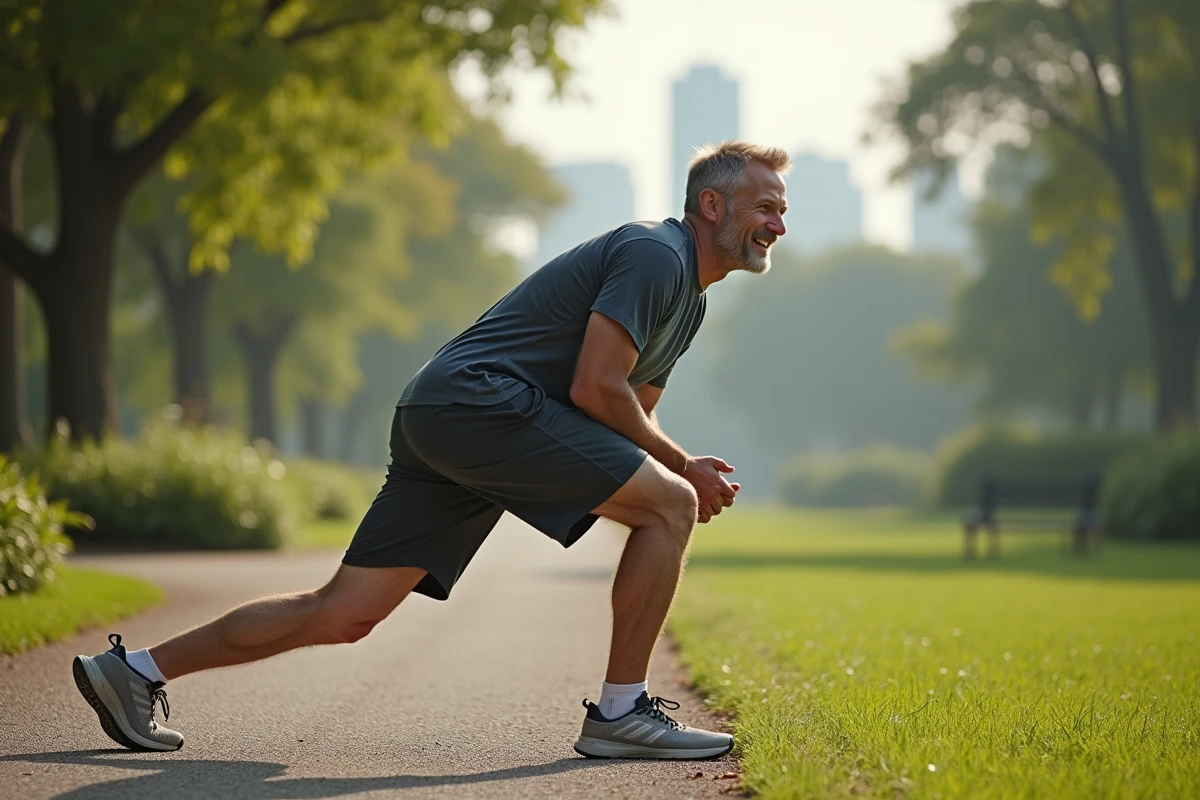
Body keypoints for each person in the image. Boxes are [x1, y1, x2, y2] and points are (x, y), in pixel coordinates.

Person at [72, 140, 790, 760]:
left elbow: (631, 407)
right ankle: (621, 715)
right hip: (480, 403)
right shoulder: (653, 253)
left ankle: (135, 671)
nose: (778, 224)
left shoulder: (687, 299)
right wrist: (680, 471)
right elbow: (598, 388)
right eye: (765, 207)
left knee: (343, 613)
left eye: (782, 210)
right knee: (671, 505)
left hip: (450, 412)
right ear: (712, 206)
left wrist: (647, 476)